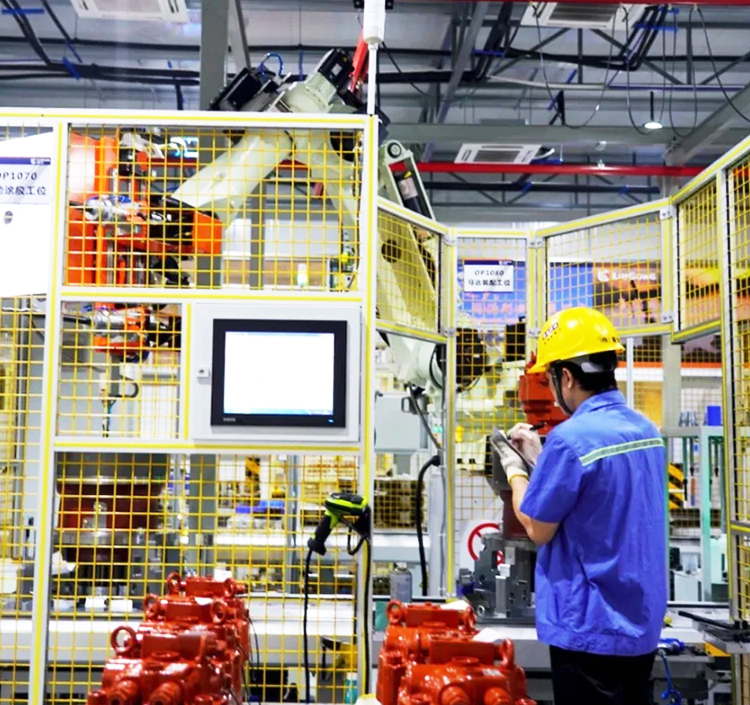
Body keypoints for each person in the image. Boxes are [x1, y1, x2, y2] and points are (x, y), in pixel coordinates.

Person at [494, 306, 667, 705]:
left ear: (567, 377)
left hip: (591, 629)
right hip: (640, 626)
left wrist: (515, 468)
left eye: (551, 377)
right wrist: (542, 459)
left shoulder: (571, 440)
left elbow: (537, 527)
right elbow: (598, 497)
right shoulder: (646, 432)